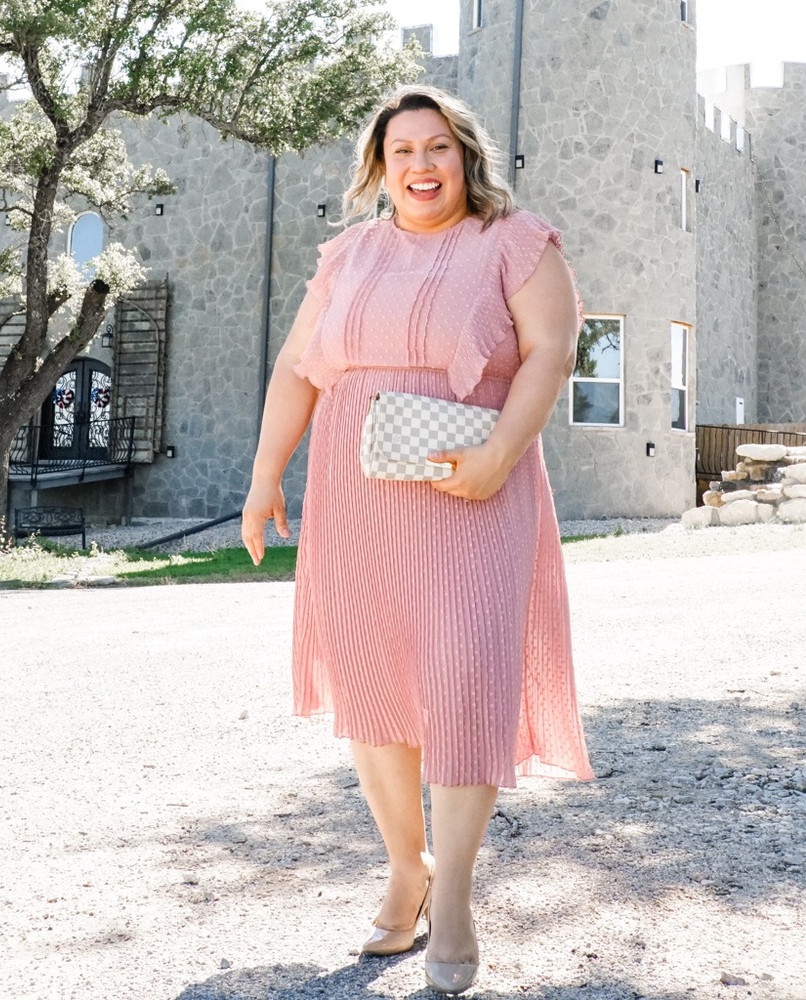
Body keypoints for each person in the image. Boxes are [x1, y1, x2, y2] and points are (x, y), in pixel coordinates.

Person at [242, 84, 593, 995]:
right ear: (379, 166)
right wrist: (263, 476)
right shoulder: (350, 254)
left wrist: (499, 455)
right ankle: (408, 869)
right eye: (402, 152)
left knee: (467, 682)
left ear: (464, 155)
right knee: (373, 682)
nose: (420, 166)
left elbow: (551, 352)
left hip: (474, 487)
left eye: (436, 147)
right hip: (357, 495)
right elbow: (296, 368)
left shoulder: (516, 243)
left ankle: (460, 899)